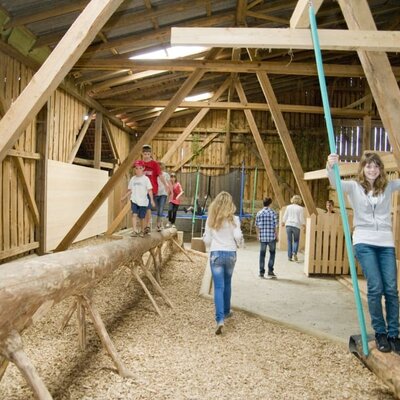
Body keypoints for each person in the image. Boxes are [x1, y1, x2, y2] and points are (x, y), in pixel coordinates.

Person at [327, 152, 400, 354]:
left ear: (380, 169)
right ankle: (380, 333)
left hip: (385, 242)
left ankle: (394, 334)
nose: (372, 169)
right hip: (364, 241)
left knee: (392, 289)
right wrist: (331, 166)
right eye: (368, 166)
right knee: (376, 287)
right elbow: (335, 184)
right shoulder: (353, 186)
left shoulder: (389, 185)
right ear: (362, 168)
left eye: (376, 166)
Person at [202, 191, 244, 335]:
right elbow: (238, 236)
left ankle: (220, 319)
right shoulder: (235, 219)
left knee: (218, 287)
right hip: (231, 254)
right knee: (228, 283)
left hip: (216, 254)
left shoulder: (211, 219)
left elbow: (207, 240)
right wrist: (239, 243)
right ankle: (226, 311)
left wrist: (208, 246)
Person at [121, 160, 155, 238]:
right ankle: (135, 231)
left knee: (142, 217)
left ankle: (142, 231)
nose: (138, 170)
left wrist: (152, 200)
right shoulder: (133, 179)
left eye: (140, 168)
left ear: (143, 168)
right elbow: (130, 190)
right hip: (134, 200)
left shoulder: (146, 179)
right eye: (136, 168)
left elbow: (150, 190)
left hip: (143, 201)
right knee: (134, 215)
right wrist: (124, 197)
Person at [142, 144, 169, 235]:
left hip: (152, 189)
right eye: (145, 154)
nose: (146, 156)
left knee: (148, 207)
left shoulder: (154, 164)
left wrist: (166, 185)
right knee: (144, 208)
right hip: (142, 189)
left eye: (148, 154)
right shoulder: (140, 164)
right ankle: (145, 226)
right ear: (142, 154)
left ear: (150, 154)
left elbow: (160, 175)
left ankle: (148, 226)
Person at [256, 197, 279, 279]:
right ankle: (270, 271)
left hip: (262, 237)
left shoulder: (259, 213)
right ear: (270, 204)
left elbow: (257, 226)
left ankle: (261, 272)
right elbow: (276, 226)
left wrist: (258, 235)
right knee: (272, 253)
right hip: (271, 237)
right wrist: (277, 235)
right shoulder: (273, 212)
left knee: (262, 255)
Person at [282, 195, 305, 262]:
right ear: (299, 200)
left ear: (292, 199)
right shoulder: (300, 208)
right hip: (296, 225)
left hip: (288, 225)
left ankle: (289, 257)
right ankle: (294, 252)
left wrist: (283, 222)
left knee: (289, 241)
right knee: (296, 240)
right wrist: (304, 225)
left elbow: (285, 215)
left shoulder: (288, 207)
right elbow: (301, 218)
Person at [155, 162, 170, 231]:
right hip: (156, 193)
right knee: (158, 209)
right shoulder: (155, 174)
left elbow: (169, 183)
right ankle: (160, 222)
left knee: (161, 208)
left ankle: (158, 224)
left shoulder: (166, 175)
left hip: (163, 193)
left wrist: (170, 192)